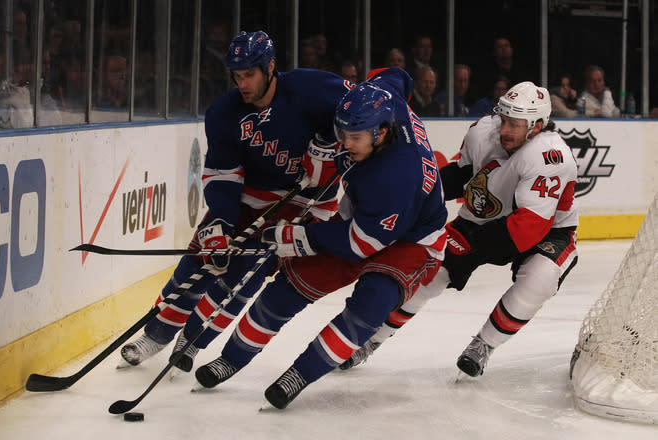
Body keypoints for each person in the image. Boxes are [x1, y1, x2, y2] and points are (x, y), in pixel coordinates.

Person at [190, 67, 448, 410]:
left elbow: (362, 244)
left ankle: (299, 373)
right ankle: (232, 359)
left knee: (368, 306)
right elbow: (396, 75)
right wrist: (324, 148)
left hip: (411, 241)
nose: (346, 143)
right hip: (362, 216)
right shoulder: (380, 100)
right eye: (343, 133)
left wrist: (302, 236)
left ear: (382, 133)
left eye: (355, 137)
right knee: (287, 288)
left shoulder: (396, 177)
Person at [119, 30, 354, 371]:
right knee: (201, 257)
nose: (243, 84)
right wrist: (220, 224)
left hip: (303, 202)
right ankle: (156, 334)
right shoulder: (225, 113)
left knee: (248, 272)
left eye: (250, 75)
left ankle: (193, 340)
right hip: (248, 195)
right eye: (237, 76)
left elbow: (362, 103)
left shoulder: (311, 88)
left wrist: (333, 142)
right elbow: (222, 174)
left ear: (270, 67)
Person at [340, 81, 579, 380]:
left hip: (547, 232)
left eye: (515, 125)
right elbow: (457, 176)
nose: (504, 130)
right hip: (478, 221)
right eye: (503, 120)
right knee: (428, 276)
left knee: (540, 279)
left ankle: (484, 345)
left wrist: (472, 248)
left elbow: (527, 229)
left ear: (537, 126)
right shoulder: (484, 131)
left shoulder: (550, 156)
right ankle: (370, 340)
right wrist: (412, 197)